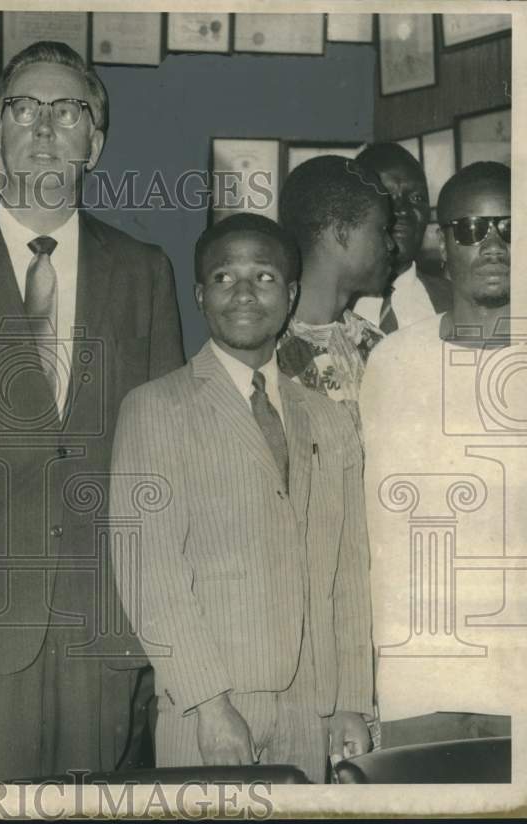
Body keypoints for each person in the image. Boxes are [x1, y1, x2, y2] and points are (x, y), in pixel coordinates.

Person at [0, 41, 184, 781]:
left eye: (68, 110)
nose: (44, 125)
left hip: (104, 624)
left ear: (96, 143)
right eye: (24, 107)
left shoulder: (144, 273)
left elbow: (167, 458)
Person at [111, 214, 374, 783]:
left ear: (292, 293)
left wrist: (351, 697)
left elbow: (349, 569)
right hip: (211, 702)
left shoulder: (326, 416)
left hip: (314, 705)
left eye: (264, 276)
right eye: (225, 278)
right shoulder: (157, 408)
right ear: (201, 296)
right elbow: (148, 570)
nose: (245, 293)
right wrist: (208, 703)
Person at [359, 162, 521, 749]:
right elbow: (373, 527)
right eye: (472, 229)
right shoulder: (394, 364)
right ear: (441, 244)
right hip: (418, 677)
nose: (494, 244)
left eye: (509, 226)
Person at [276, 155, 395, 404]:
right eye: (382, 229)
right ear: (341, 233)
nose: (391, 244)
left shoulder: (372, 342)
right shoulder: (269, 350)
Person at [352, 143, 452, 332]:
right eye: (387, 197)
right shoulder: (329, 305)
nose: (403, 210)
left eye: (416, 198)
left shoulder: (456, 301)